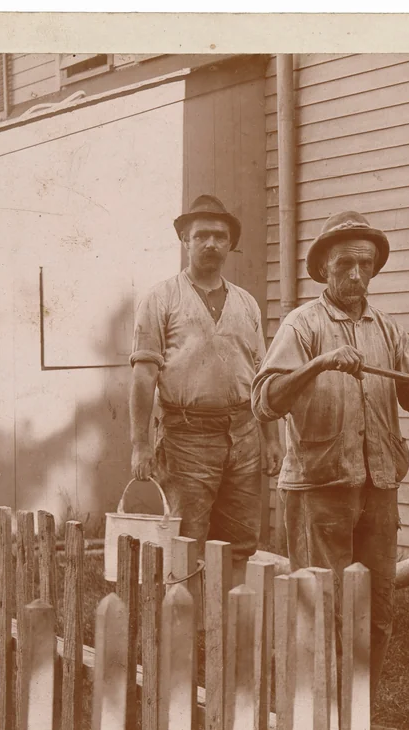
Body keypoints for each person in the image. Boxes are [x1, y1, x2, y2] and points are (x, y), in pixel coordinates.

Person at [252, 210, 409, 730]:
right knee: (322, 610)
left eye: (365, 263)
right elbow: (264, 401)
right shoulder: (302, 325)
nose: (356, 275)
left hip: (378, 487)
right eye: (345, 265)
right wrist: (317, 364)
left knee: (376, 611)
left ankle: (359, 717)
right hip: (320, 488)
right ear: (324, 271)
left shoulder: (388, 329)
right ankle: (320, 722)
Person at [129, 194, 283, 580]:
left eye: (220, 235)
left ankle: (229, 629)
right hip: (187, 438)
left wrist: (273, 439)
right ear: (186, 240)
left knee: (239, 541)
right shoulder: (161, 298)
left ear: (230, 243)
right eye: (202, 236)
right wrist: (140, 443)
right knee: (187, 541)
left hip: (243, 435)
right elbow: (144, 376)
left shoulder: (246, 303)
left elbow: (262, 375)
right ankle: (187, 631)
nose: (212, 243)